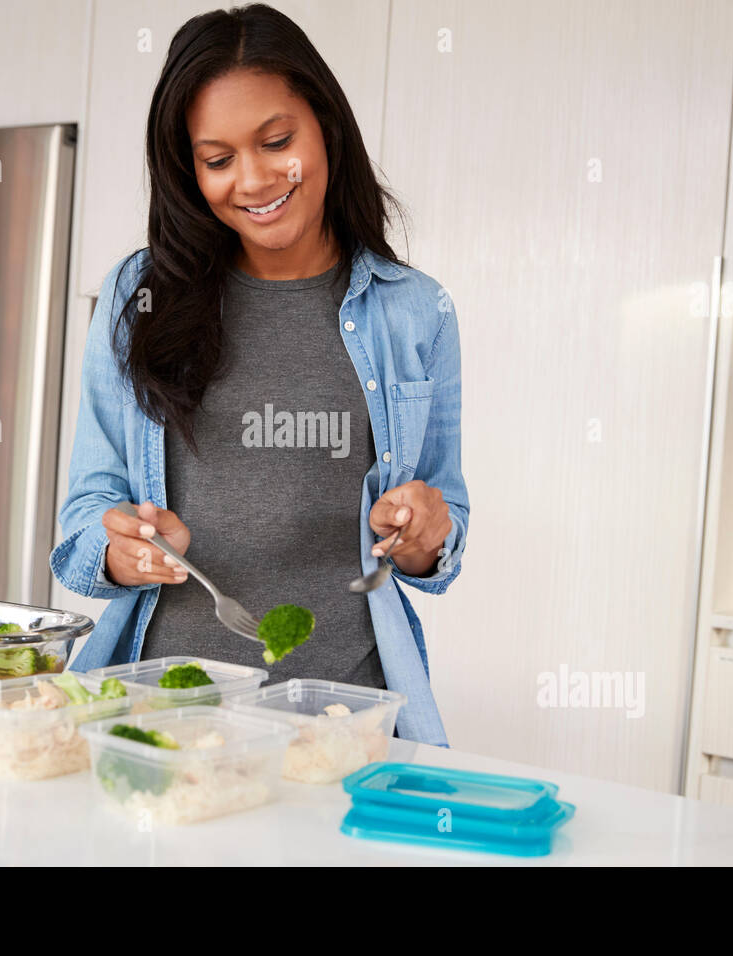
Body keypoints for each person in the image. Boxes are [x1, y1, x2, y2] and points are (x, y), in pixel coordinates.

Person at [50, 3, 468, 745]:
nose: (253, 179)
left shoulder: (415, 312)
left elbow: (440, 534)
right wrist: (123, 549)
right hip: (164, 720)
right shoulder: (135, 296)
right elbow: (86, 517)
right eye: (217, 159)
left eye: (277, 142)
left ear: (325, 127)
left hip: (344, 720)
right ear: (189, 168)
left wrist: (424, 536)